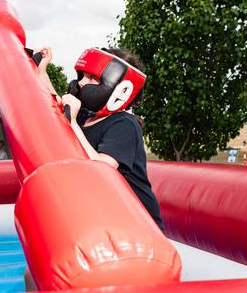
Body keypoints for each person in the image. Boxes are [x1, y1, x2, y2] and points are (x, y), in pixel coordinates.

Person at [37, 46, 163, 230]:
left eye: (92, 79)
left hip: (139, 225)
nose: (81, 83)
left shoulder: (124, 124)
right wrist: (42, 71)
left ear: (119, 90)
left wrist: (71, 122)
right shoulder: (84, 117)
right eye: (83, 75)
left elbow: (103, 169)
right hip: (106, 218)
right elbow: (56, 102)